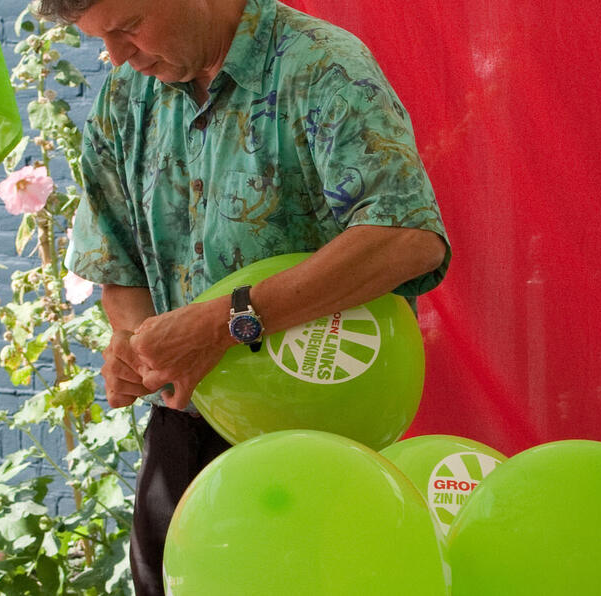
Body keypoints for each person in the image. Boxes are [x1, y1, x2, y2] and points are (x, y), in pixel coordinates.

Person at [38, 0, 450, 593]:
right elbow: (116, 261)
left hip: (318, 430)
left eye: (128, 28)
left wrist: (223, 324)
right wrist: (137, 346)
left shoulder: (320, 67)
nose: (117, 56)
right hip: (184, 426)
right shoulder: (125, 97)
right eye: (102, 39)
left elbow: (406, 240)